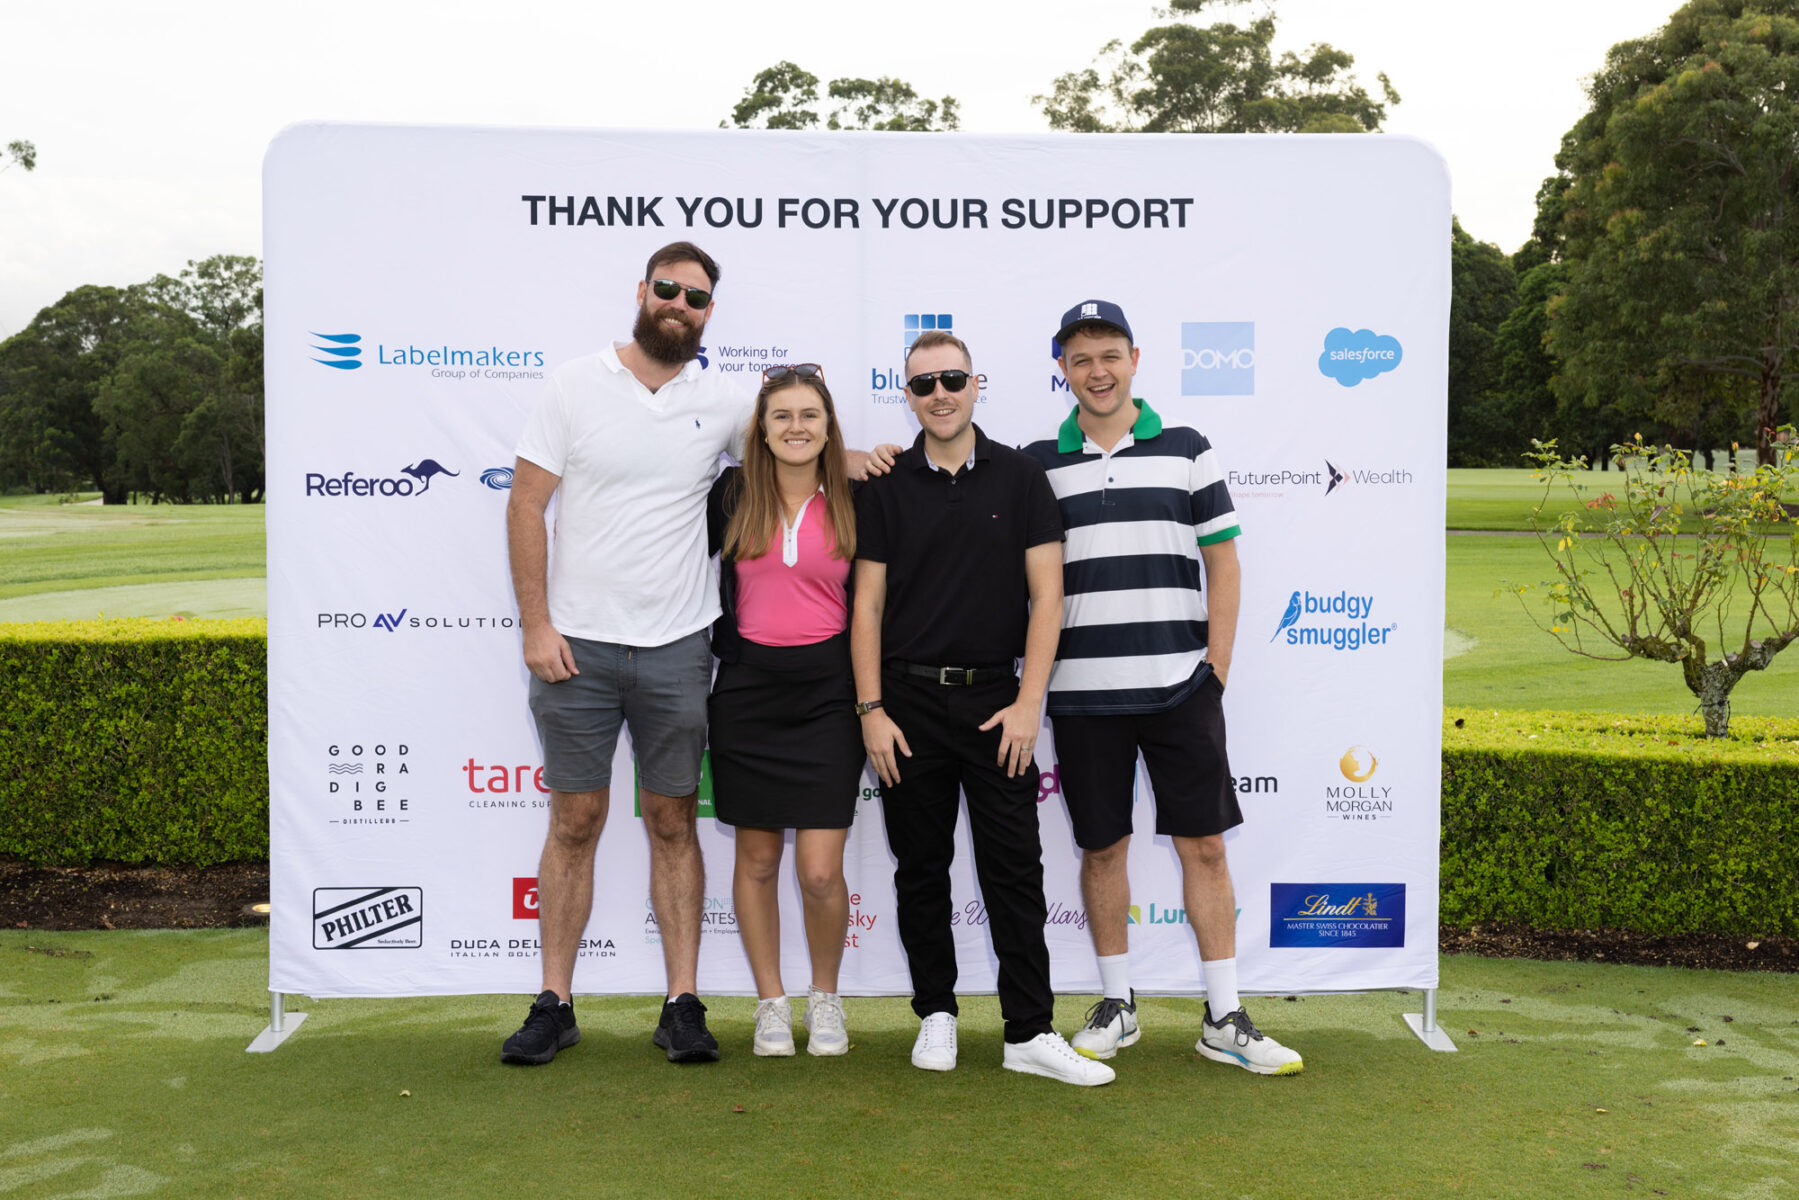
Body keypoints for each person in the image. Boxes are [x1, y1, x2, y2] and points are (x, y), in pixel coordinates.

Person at [1024, 300, 1302, 1076]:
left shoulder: (1186, 448)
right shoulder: (1037, 462)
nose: (1097, 371)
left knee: (1204, 847)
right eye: (1080, 359)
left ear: (1134, 360)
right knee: (1101, 849)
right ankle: (1117, 1004)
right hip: (1081, 694)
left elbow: (1223, 563)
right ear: (1062, 369)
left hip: (1181, 687)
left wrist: (1215, 670)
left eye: (1109, 355)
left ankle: (1224, 1017)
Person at [851, 329, 1114, 1087]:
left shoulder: (1022, 476)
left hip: (999, 704)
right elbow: (865, 606)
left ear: (975, 385)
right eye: (923, 384)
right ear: (908, 396)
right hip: (904, 705)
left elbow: (1047, 596)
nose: (939, 394)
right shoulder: (885, 484)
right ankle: (935, 1013)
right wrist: (870, 709)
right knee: (920, 869)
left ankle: (1028, 1030)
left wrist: (1030, 702)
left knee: (1014, 871)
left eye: (952, 379)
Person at [706, 364, 863, 1058]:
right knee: (759, 857)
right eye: (782, 416)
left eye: (809, 415)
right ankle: (770, 1003)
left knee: (821, 870)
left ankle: (825, 997)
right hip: (747, 693)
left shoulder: (859, 497)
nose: (796, 427)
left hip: (829, 694)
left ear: (828, 427)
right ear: (761, 431)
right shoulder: (730, 495)